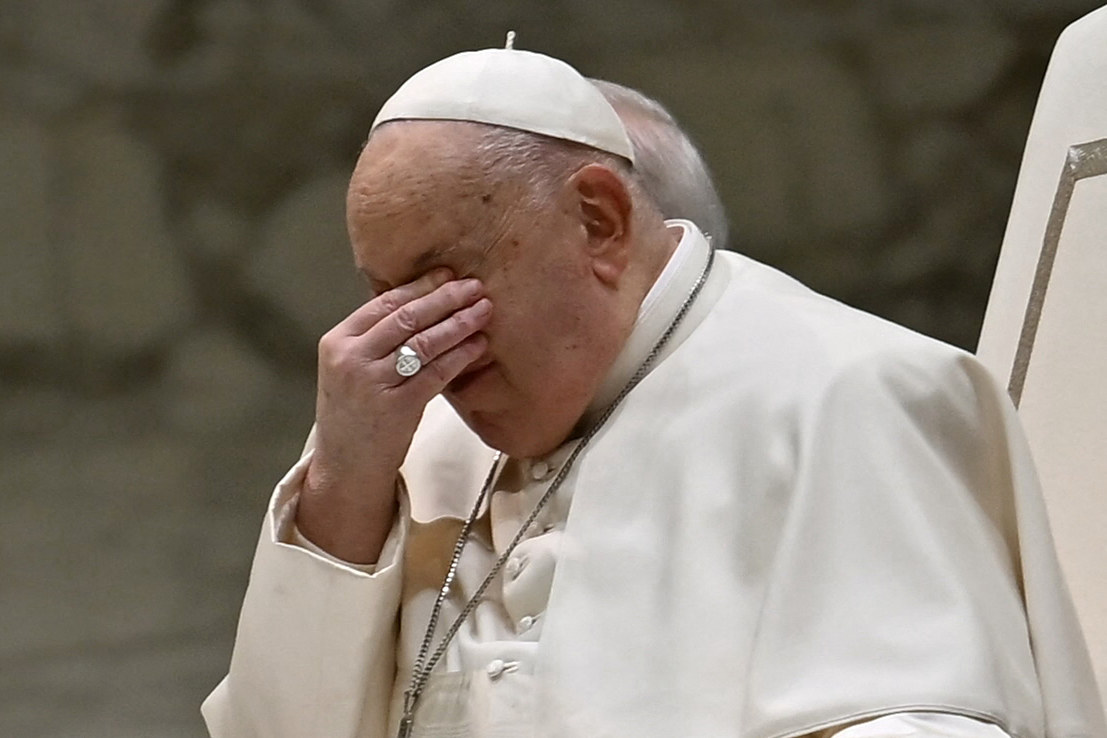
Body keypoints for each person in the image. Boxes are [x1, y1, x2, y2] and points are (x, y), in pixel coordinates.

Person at [202, 45, 1106, 738]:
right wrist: (342, 489)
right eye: (381, 292)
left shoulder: (847, 394)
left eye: (443, 276)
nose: (415, 333)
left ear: (597, 220)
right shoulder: (415, 436)